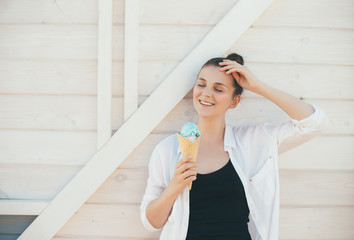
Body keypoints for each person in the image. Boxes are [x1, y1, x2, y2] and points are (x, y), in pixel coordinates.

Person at [140, 53, 328, 240]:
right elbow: (150, 222)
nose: (206, 93)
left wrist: (257, 86)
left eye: (218, 89)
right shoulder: (168, 150)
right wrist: (173, 188)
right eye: (201, 84)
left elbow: (314, 123)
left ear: (234, 101)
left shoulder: (253, 142)